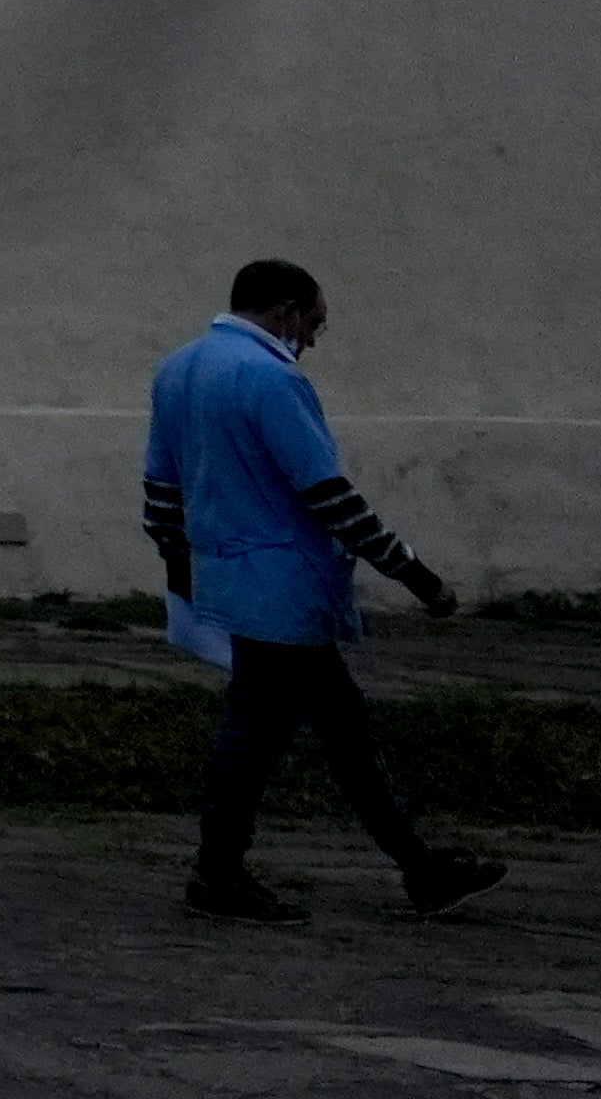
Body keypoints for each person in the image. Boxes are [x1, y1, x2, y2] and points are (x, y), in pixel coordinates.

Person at [143, 255, 503, 924]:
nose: (310, 340)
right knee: (263, 739)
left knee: (332, 730)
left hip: (230, 581)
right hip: (287, 588)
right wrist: (417, 576)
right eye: (312, 324)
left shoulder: (179, 369)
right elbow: (329, 497)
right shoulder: (271, 380)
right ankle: (218, 876)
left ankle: (417, 867)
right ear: (285, 313)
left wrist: (181, 580)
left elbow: (160, 494)